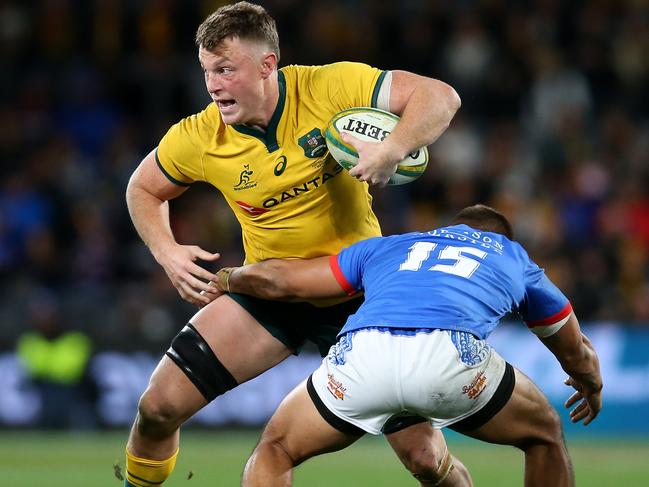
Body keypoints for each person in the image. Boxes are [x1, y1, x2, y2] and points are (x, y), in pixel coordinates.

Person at [124, 2, 463, 486]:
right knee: (157, 407)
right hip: (272, 291)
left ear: (267, 66)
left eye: (225, 69)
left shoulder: (330, 87)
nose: (213, 85)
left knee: (425, 460)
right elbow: (143, 187)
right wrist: (167, 251)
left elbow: (440, 96)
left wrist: (391, 149)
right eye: (206, 71)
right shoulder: (202, 135)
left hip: (358, 295)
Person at [208, 204, 603, 487]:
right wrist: (590, 382)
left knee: (276, 448)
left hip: (362, 353)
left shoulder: (390, 247)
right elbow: (571, 345)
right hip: (448, 357)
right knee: (544, 434)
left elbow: (285, 281)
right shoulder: (511, 256)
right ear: (498, 238)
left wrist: (228, 278)